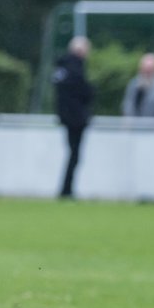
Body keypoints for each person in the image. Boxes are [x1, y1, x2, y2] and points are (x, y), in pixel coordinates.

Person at [53, 36, 97, 199]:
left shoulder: (61, 68)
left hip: (65, 117)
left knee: (72, 154)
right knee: (74, 155)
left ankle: (66, 188)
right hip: (76, 118)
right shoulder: (75, 67)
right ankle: (66, 190)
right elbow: (85, 92)